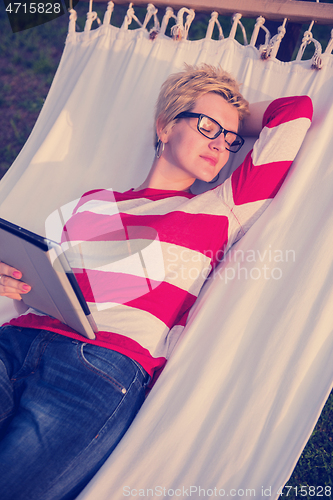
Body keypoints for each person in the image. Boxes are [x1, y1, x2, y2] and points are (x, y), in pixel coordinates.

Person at [0, 64, 313, 500]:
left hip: (97, 369)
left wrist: (231, 110)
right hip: (14, 341)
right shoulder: (92, 203)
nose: (220, 144)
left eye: (229, 137)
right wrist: (12, 283)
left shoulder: (220, 209)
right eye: (207, 126)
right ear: (164, 126)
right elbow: (50, 290)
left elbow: (296, 112)